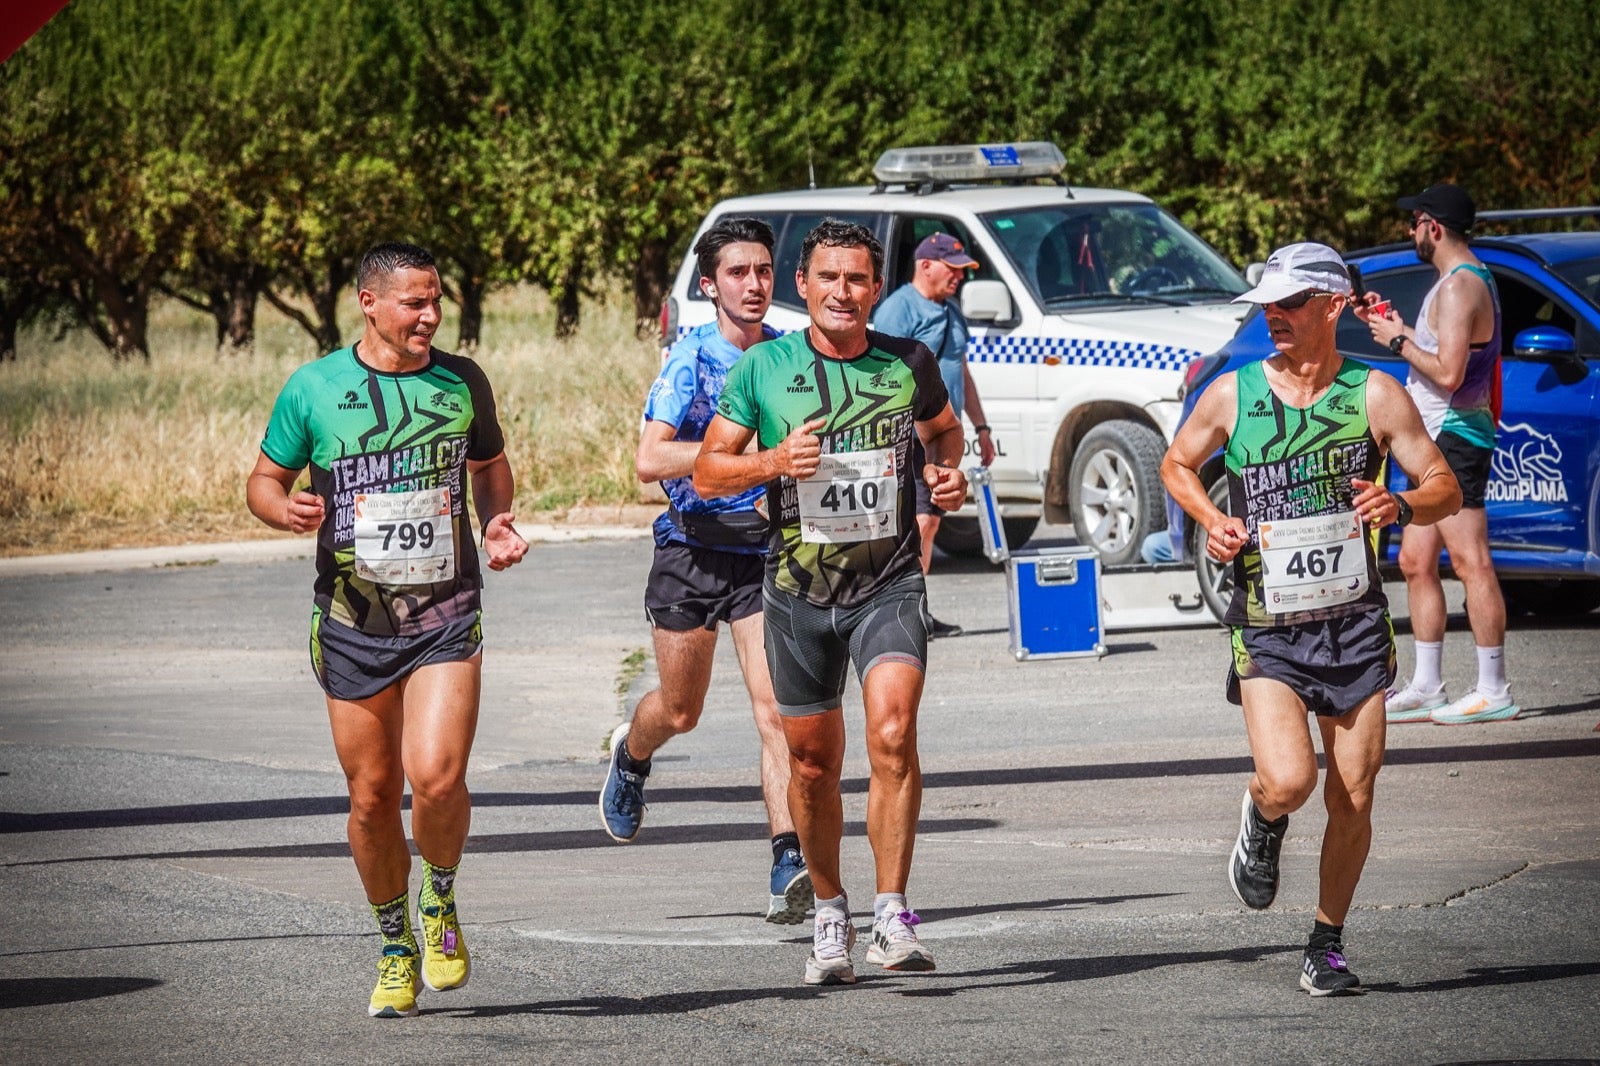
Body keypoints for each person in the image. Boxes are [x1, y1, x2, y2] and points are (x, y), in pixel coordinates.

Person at [1161, 242, 1461, 997]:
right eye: (1266, 304)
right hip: (1266, 620)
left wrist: (1401, 503)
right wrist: (1210, 519)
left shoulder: (1376, 394)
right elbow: (1176, 464)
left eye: (1290, 303)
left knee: (1355, 792)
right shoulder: (1233, 394)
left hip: (1355, 620)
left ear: (1332, 306)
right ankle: (1263, 817)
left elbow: (1444, 487)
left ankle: (1325, 943)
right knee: (1291, 779)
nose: (1273, 315)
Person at [246, 242, 529, 1019]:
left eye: (436, 300)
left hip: (444, 611)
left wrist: (497, 519)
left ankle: (439, 899)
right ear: (368, 302)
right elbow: (263, 482)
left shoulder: (461, 380)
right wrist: (285, 508)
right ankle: (394, 941)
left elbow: (490, 465)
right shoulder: (314, 388)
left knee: (436, 777)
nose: (430, 316)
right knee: (373, 796)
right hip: (351, 620)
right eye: (414, 302)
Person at [693, 218, 967, 985]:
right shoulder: (763, 370)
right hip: (796, 589)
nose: (843, 293)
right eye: (829, 279)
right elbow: (710, 472)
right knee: (812, 767)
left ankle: (892, 911)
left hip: (889, 580)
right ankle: (829, 909)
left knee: (892, 731)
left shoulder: (909, 361)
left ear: (877, 289)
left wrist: (947, 477)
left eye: (858, 280)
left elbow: (945, 438)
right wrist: (777, 460)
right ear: (802, 286)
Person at [599, 216, 812, 925]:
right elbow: (648, 462)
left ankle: (788, 860)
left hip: (764, 553)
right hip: (691, 549)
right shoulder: (692, 358)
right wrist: (733, 455)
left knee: (776, 711)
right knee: (680, 711)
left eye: (762, 271)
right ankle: (632, 757)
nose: (753, 285)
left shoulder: (789, 356)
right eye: (737, 273)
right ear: (709, 284)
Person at [1359, 183, 1517, 726]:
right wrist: (1398, 329)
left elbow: (1449, 374)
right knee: (1415, 560)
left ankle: (1493, 686)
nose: (1410, 231)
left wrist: (1398, 340)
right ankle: (1427, 684)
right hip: (1438, 434)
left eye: (1416, 221)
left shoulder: (1460, 287)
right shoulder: (1461, 282)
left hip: (1455, 435)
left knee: (1471, 561)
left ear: (1435, 227)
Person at [873, 232, 996, 638]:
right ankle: (905, 610)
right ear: (925, 265)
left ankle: (914, 609)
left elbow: (961, 371)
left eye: (963, 269)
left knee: (929, 522)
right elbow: (882, 374)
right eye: (953, 267)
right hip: (908, 434)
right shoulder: (897, 310)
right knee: (921, 521)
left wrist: (980, 427)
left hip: (943, 432)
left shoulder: (951, 310)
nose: (960, 275)